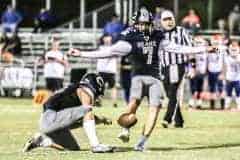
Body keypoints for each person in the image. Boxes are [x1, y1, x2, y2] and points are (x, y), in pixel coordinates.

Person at [69, 7, 215, 151]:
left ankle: (141, 142)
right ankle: (126, 129)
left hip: (155, 78)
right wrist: (82, 53)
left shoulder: (158, 36)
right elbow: (108, 52)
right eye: (142, 23)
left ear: (151, 23)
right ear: (136, 24)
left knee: (155, 109)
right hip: (138, 77)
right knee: (133, 105)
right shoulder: (129, 38)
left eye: (147, 23)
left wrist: (203, 49)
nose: (144, 26)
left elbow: (179, 48)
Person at [23, 73, 114, 153]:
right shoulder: (85, 90)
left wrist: (101, 120)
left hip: (50, 122)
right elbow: (87, 111)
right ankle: (96, 145)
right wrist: (101, 119)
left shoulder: (75, 89)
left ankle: (43, 141)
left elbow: (84, 117)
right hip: (52, 118)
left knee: (73, 149)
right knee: (87, 109)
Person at [159, 10, 192, 128]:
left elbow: (190, 48)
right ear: (161, 22)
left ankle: (167, 118)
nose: (168, 22)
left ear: (174, 19)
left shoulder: (181, 31)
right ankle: (179, 120)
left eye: (170, 19)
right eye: (165, 19)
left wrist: (191, 66)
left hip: (177, 65)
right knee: (170, 95)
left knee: (173, 92)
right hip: (164, 67)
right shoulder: (158, 34)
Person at [96, 35, 118, 107]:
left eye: (108, 38)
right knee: (100, 87)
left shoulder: (114, 48)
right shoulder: (100, 48)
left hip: (111, 70)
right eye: (106, 38)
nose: (107, 39)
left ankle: (114, 102)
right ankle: (99, 102)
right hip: (102, 70)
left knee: (113, 87)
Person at [188, 36, 208, 109]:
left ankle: (199, 103)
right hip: (193, 72)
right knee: (193, 88)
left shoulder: (206, 50)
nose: (199, 44)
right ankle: (191, 103)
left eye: (200, 42)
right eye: (197, 42)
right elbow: (191, 59)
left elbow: (218, 50)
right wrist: (193, 70)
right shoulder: (192, 50)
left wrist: (211, 47)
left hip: (202, 71)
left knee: (200, 88)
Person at [207, 34, 226, 110]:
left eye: (216, 41)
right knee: (212, 89)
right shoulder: (209, 49)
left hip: (219, 71)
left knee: (221, 89)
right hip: (211, 71)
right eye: (214, 41)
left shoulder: (223, 49)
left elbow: (225, 62)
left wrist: (223, 73)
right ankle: (212, 106)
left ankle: (222, 107)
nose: (215, 42)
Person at [224, 41, 240, 110]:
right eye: (232, 46)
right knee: (228, 93)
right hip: (229, 78)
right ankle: (226, 106)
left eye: (235, 46)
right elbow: (215, 49)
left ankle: (239, 106)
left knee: (238, 93)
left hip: (238, 78)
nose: (233, 47)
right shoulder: (226, 56)